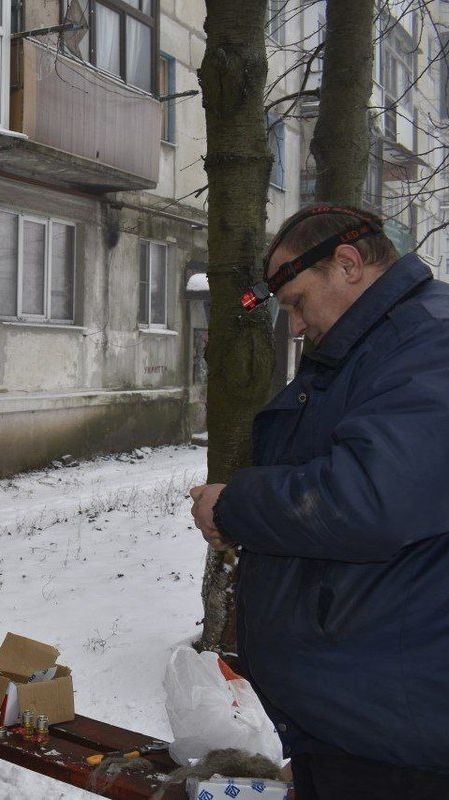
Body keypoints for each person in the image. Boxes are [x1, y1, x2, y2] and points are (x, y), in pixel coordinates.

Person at [189, 204, 449, 798]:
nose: (298, 326)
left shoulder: (429, 344)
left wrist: (235, 507)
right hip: (361, 720)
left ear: (349, 264)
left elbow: (369, 498)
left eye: (299, 303)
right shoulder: (377, 347)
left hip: (397, 736)